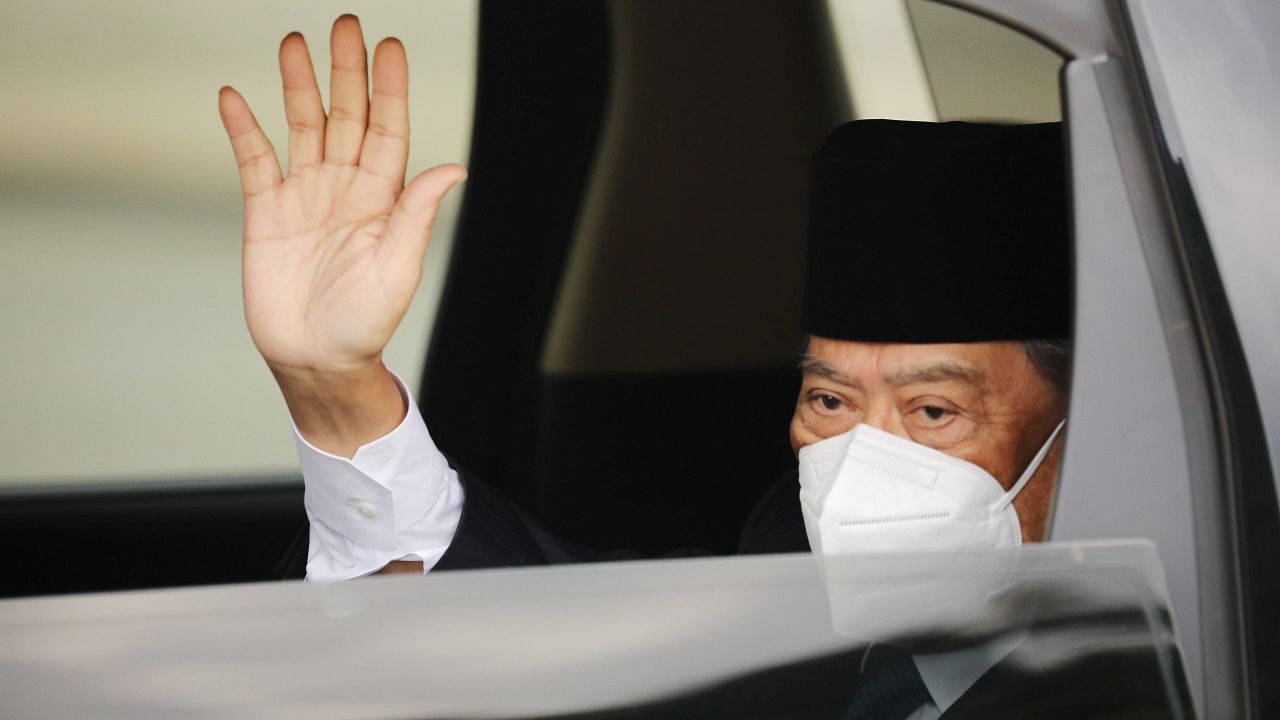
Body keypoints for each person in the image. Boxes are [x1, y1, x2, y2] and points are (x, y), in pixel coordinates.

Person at [217, 16, 1069, 582]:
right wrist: (333, 386)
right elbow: (555, 636)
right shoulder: (787, 557)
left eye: (931, 413)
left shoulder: (1175, 673)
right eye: (829, 400)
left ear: (1077, 431)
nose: (864, 467)